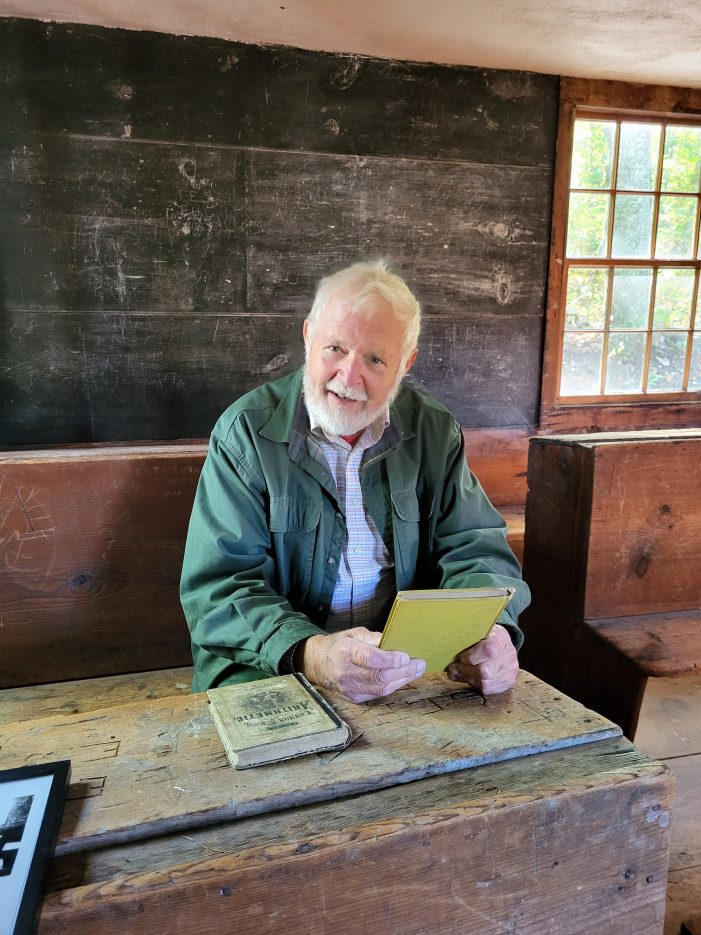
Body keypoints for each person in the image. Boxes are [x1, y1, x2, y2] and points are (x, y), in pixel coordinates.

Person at [180, 260, 530, 703]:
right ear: (308, 336)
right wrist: (312, 653)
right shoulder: (245, 433)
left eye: (375, 359)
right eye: (335, 349)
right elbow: (220, 587)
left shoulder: (435, 432)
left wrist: (491, 632)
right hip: (274, 669)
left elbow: (475, 547)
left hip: (404, 671)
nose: (349, 376)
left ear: (406, 364)